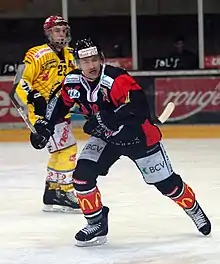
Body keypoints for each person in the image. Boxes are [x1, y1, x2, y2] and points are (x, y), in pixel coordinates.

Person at [29, 37, 211, 246]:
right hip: (106, 137)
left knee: (167, 185)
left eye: (95, 59)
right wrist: (46, 126)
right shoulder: (72, 82)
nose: (91, 65)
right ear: (78, 64)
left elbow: (140, 108)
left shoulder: (117, 79)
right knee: (81, 176)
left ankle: (193, 209)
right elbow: (59, 103)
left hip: (139, 137)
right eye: (86, 61)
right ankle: (96, 223)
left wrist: (106, 117)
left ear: (101, 59)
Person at [15, 15, 80, 213]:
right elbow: (20, 81)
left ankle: (53, 191)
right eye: (56, 31)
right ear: (48, 33)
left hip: (60, 111)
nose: (61, 34)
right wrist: (33, 95)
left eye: (63, 30)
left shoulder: (70, 55)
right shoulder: (36, 54)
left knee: (60, 151)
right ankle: (63, 191)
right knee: (67, 150)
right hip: (42, 114)